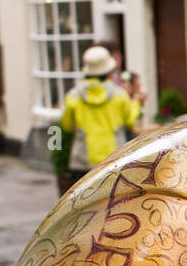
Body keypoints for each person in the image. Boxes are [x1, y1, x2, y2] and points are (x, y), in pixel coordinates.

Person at [50, 45, 143, 195]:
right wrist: (136, 103)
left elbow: (67, 126)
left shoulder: (73, 96)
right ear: (109, 71)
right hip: (113, 158)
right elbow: (129, 122)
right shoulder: (119, 94)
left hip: (83, 160)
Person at [99, 39, 147, 107]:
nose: (120, 60)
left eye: (120, 57)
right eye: (116, 57)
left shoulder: (120, 77)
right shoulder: (104, 83)